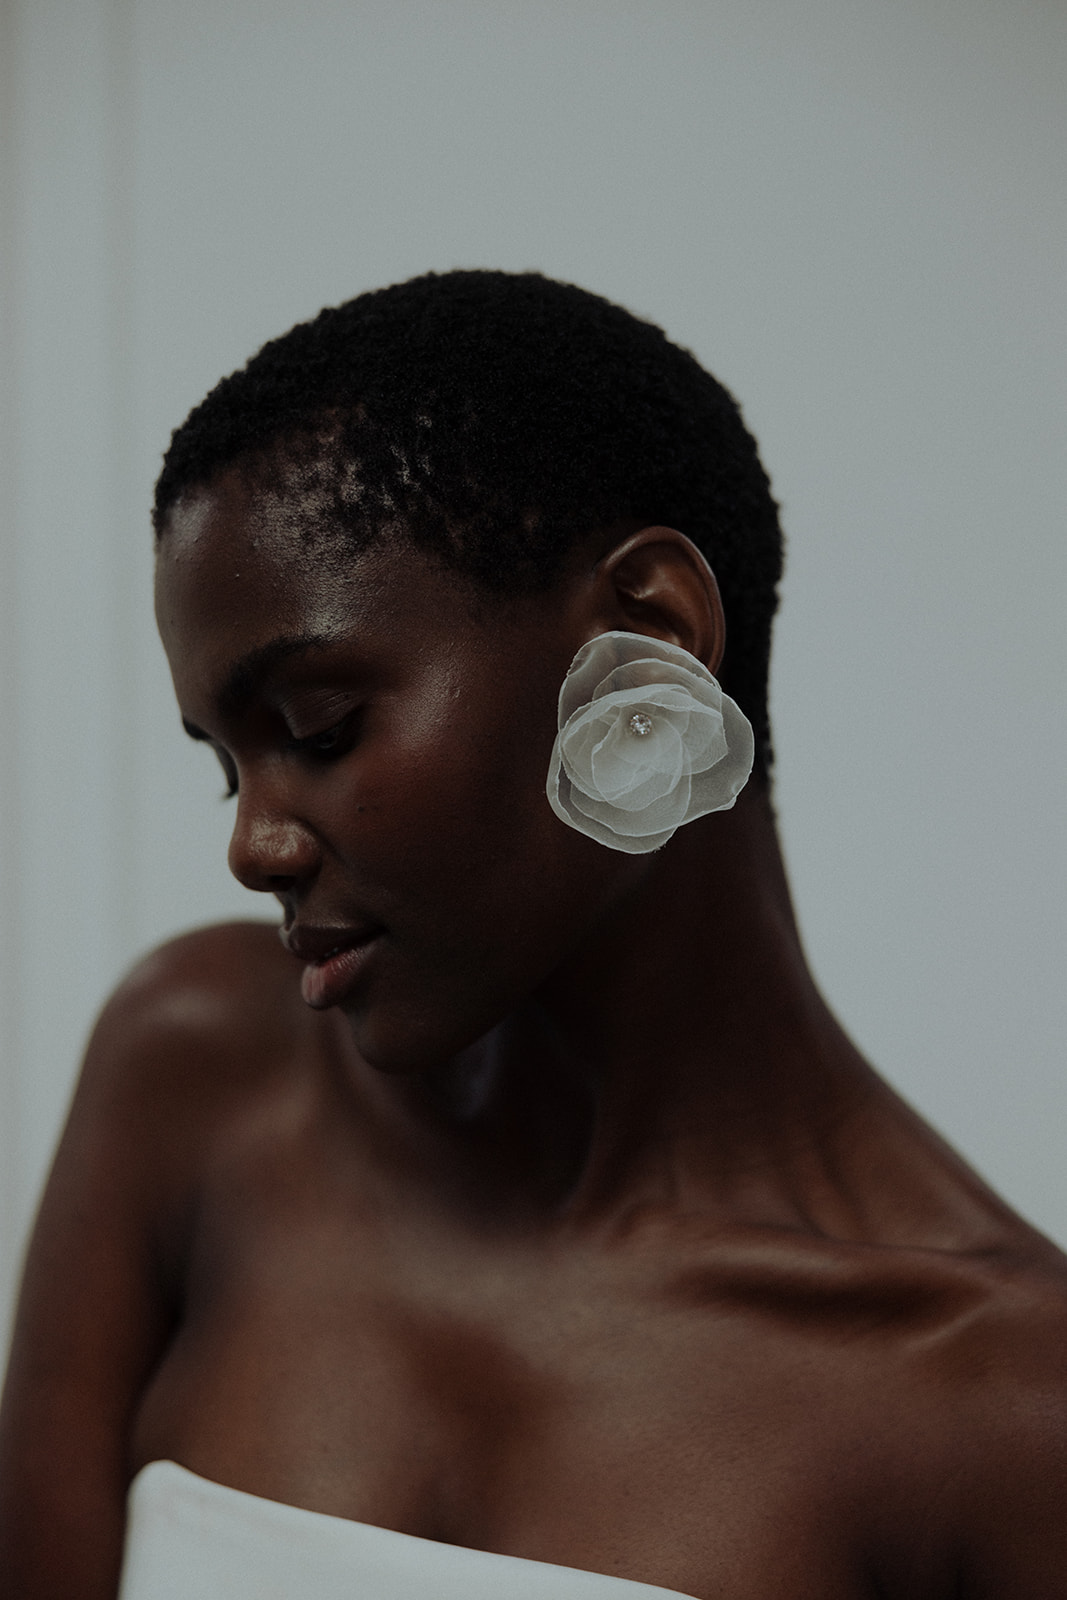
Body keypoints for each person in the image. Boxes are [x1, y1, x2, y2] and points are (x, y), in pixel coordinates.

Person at [1, 270, 1064, 1600]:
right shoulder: (202, 1080)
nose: (254, 845)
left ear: (649, 635)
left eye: (320, 728)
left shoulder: (1002, 1402)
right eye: (227, 766)